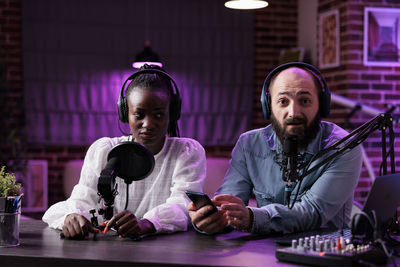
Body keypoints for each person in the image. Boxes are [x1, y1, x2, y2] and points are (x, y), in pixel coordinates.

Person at [188, 62, 362, 235]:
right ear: (268, 106)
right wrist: (212, 219)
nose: (293, 112)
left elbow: (313, 212)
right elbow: (228, 203)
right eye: (283, 101)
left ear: (321, 106)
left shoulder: (343, 147)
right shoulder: (249, 144)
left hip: (323, 255)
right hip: (264, 253)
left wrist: (251, 217)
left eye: (304, 101)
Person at [43, 64, 206, 239]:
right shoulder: (103, 150)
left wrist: (147, 223)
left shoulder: (187, 152)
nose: (148, 124)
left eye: (158, 115)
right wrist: (72, 217)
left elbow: (183, 205)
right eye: (139, 115)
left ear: (172, 114)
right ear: (125, 113)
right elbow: (81, 200)